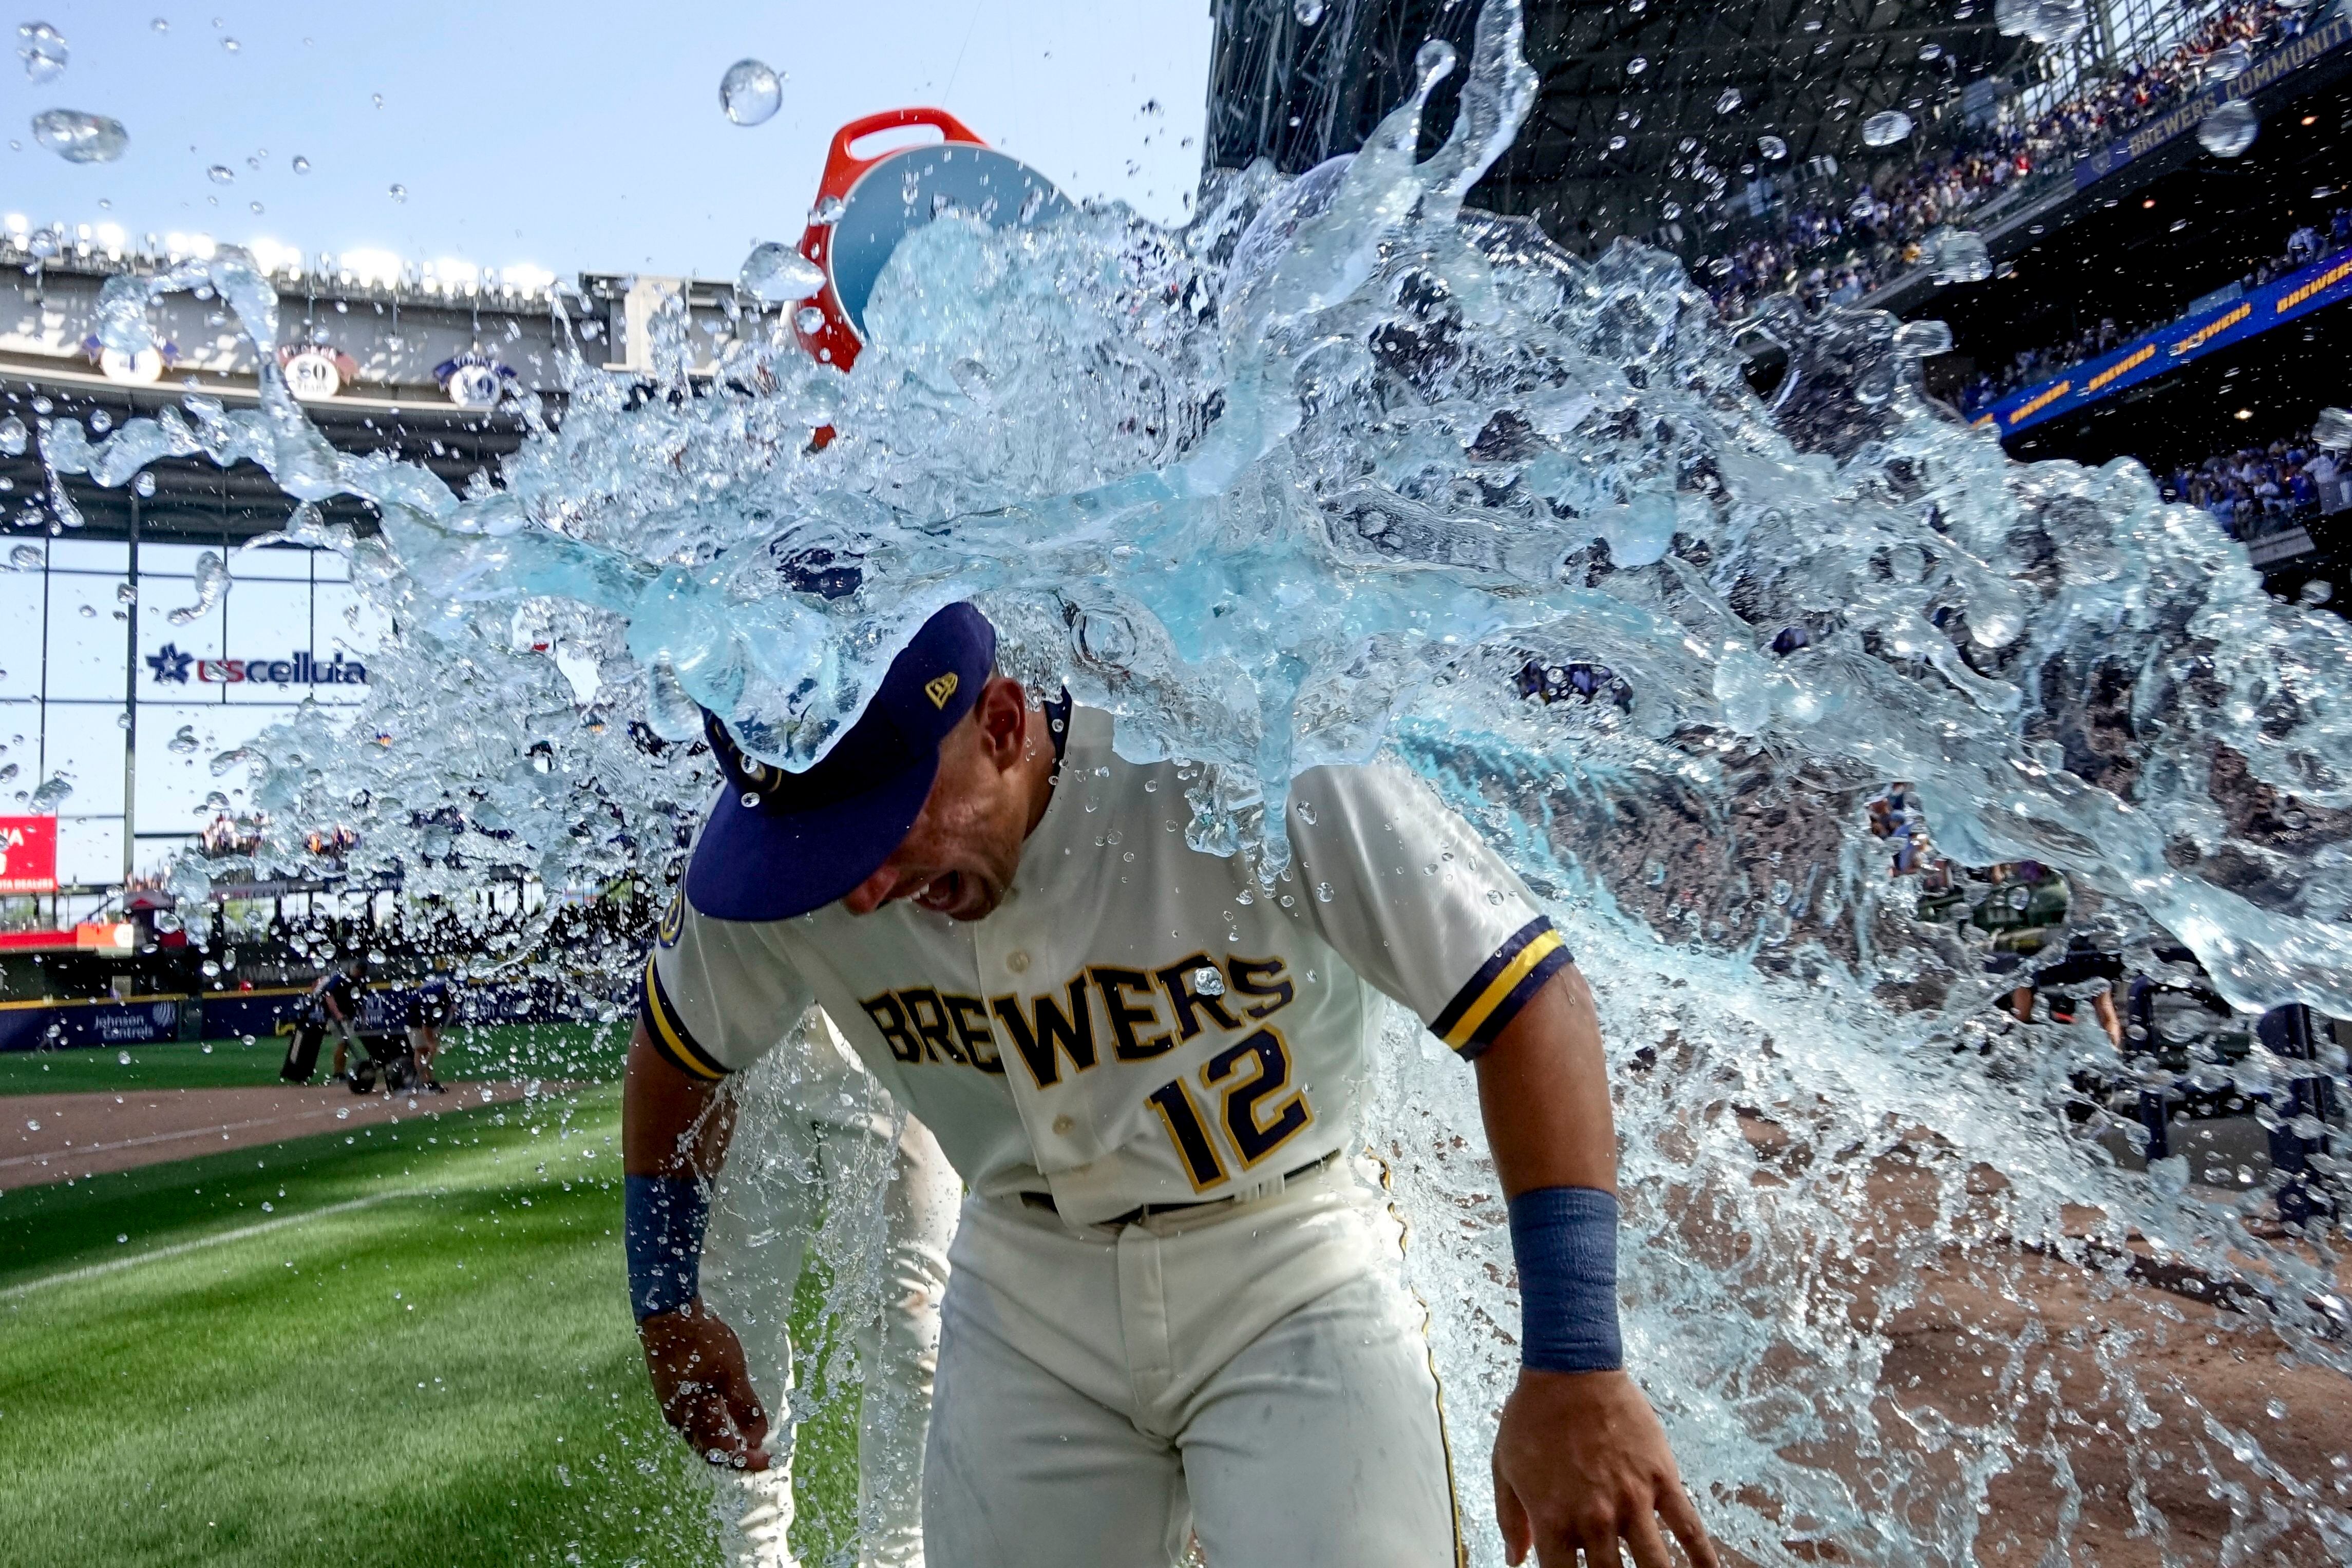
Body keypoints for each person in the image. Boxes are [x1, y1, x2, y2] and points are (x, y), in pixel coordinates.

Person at [625, 604, 1716, 1568]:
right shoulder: (785, 864)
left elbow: (1531, 1002)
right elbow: (680, 1048)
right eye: (820, 846)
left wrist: (1575, 1365)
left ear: (1003, 725)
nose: (856, 888)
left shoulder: (1233, 751)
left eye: (882, 827)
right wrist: (664, 1294)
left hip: (1287, 1262)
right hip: (1021, 1285)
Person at [405, 972, 455, 1093]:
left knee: (428, 1051)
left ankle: (428, 1080)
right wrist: (431, 1042)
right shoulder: (433, 996)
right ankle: (424, 1082)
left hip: (431, 1021)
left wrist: (451, 1006)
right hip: (415, 1021)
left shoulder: (445, 989)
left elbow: (449, 1000)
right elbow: (425, 1024)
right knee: (422, 1049)